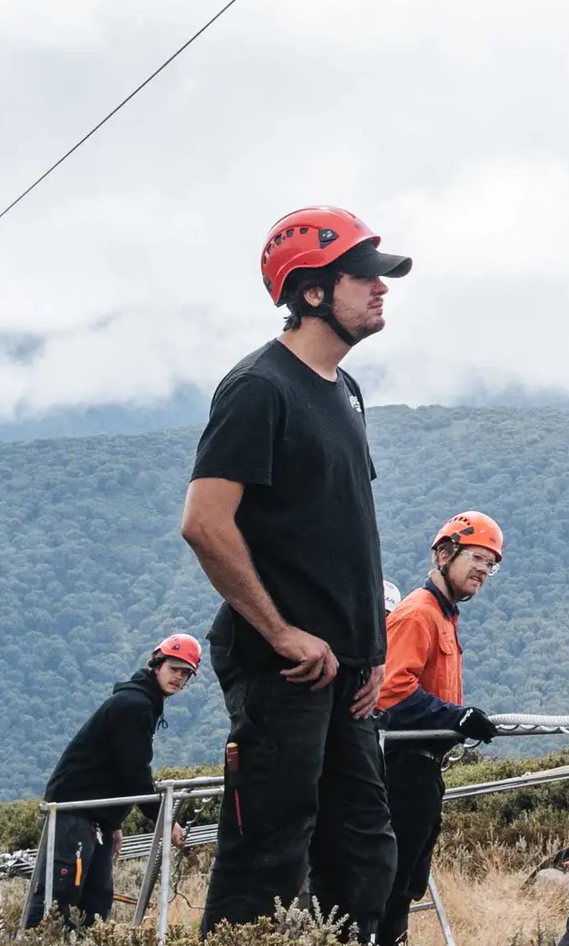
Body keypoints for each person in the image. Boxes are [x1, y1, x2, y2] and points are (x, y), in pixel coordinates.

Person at [183, 206, 412, 934]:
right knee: (267, 860)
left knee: (365, 857)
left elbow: (343, 531)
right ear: (312, 291)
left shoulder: (344, 389)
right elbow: (204, 521)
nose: (381, 289)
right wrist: (282, 633)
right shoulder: (260, 387)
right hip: (283, 668)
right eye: (364, 276)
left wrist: (369, 650)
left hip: (345, 669)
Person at [370, 513, 505, 946]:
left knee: (408, 878)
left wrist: (457, 719)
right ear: (445, 555)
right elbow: (391, 693)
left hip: (424, 767)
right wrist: (455, 718)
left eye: (491, 563)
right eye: (478, 558)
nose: (484, 569)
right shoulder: (417, 614)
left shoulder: (444, 616)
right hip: (401, 768)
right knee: (392, 879)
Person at [27, 633, 199, 928]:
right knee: (58, 902)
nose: (179, 678)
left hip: (96, 815)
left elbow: (116, 767)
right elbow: (134, 772)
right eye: (174, 669)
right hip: (74, 810)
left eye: (186, 673)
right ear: (157, 665)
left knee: (95, 903)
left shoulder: (142, 702)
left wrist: (114, 821)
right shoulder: (134, 705)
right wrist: (165, 820)